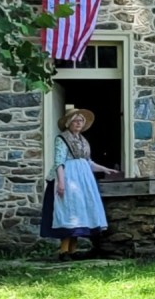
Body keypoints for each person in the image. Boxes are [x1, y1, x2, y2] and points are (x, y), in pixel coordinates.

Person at [40, 107, 117, 258]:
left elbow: (88, 162)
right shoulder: (62, 138)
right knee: (68, 211)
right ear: (68, 123)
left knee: (78, 213)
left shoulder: (83, 140)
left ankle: (73, 251)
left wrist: (105, 169)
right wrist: (61, 182)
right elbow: (59, 161)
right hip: (68, 177)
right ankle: (63, 251)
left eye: (81, 120)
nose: (78, 123)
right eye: (75, 120)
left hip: (82, 181)